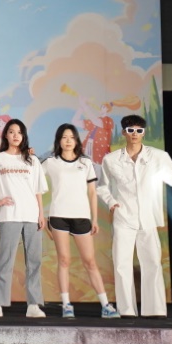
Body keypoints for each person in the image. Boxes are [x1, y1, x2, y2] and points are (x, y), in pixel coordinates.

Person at [97, 114, 172, 317]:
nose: (135, 134)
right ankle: (126, 310)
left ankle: (154, 309)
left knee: (152, 263)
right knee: (121, 265)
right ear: (123, 133)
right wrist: (112, 202)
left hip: (148, 217)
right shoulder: (111, 160)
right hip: (123, 217)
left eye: (139, 130)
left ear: (144, 132)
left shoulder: (158, 157)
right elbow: (102, 186)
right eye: (130, 130)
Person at [43, 123, 119, 319]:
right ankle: (66, 304)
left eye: (71, 137)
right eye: (64, 137)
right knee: (64, 260)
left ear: (77, 140)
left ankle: (106, 305)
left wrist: (95, 219)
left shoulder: (85, 163)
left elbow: (92, 193)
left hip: (82, 217)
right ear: (59, 140)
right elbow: (34, 179)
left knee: (90, 262)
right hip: (59, 216)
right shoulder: (51, 162)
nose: (68, 141)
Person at [0, 118, 48, 318]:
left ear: (24, 136)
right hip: (9, 215)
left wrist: (41, 214)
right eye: (11, 132)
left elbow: (38, 190)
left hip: (31, 215)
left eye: (19, 132)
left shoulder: (32, 160)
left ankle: (33, 305)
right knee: (5, 261)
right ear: (6, 135)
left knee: (34, 261)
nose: (15, 135)